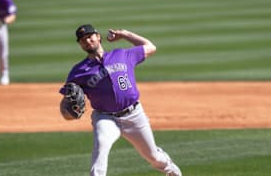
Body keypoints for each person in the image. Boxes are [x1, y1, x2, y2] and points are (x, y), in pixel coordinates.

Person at [59, 24, 182, 176]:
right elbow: (66, 104)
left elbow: (150, 47)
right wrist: (67, 112)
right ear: (80, 45)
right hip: (105, 118)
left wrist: (124, 34)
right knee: (101, 147)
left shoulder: (122, 55)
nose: (87, 41)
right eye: (83, 40)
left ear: (98, 36)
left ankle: (171, 171)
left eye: (90, 36)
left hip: (134, 115)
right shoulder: (78, 71)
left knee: (152, 156)